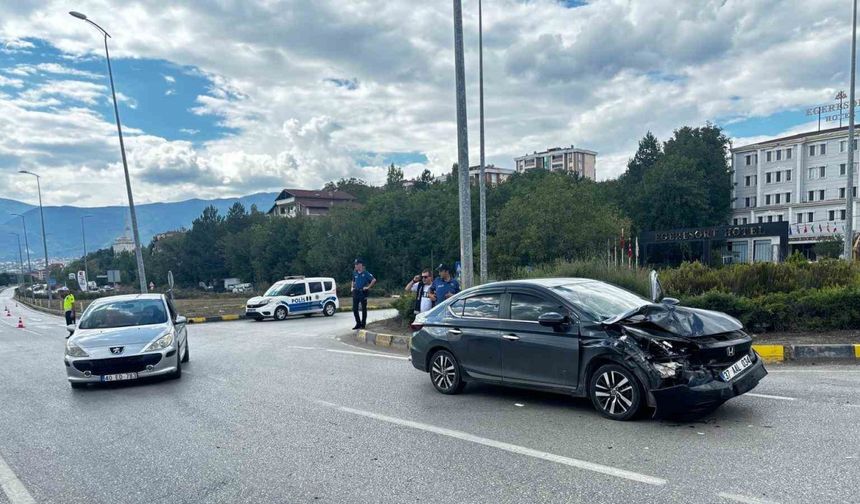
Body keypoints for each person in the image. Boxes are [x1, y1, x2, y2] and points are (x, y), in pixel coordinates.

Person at [351, 258, 376, 329]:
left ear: (360, 265)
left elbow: (374, 280)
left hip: (363, 292)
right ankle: (358, 323)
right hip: (356, 291)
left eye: (357, 264)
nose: (355, 266)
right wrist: (352, 287)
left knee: (363, 308)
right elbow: (353, 280)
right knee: (354, 309)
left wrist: (368, 287)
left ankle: (363, 324)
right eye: (355, 264)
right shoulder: (355, 272)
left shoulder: (366, 273)